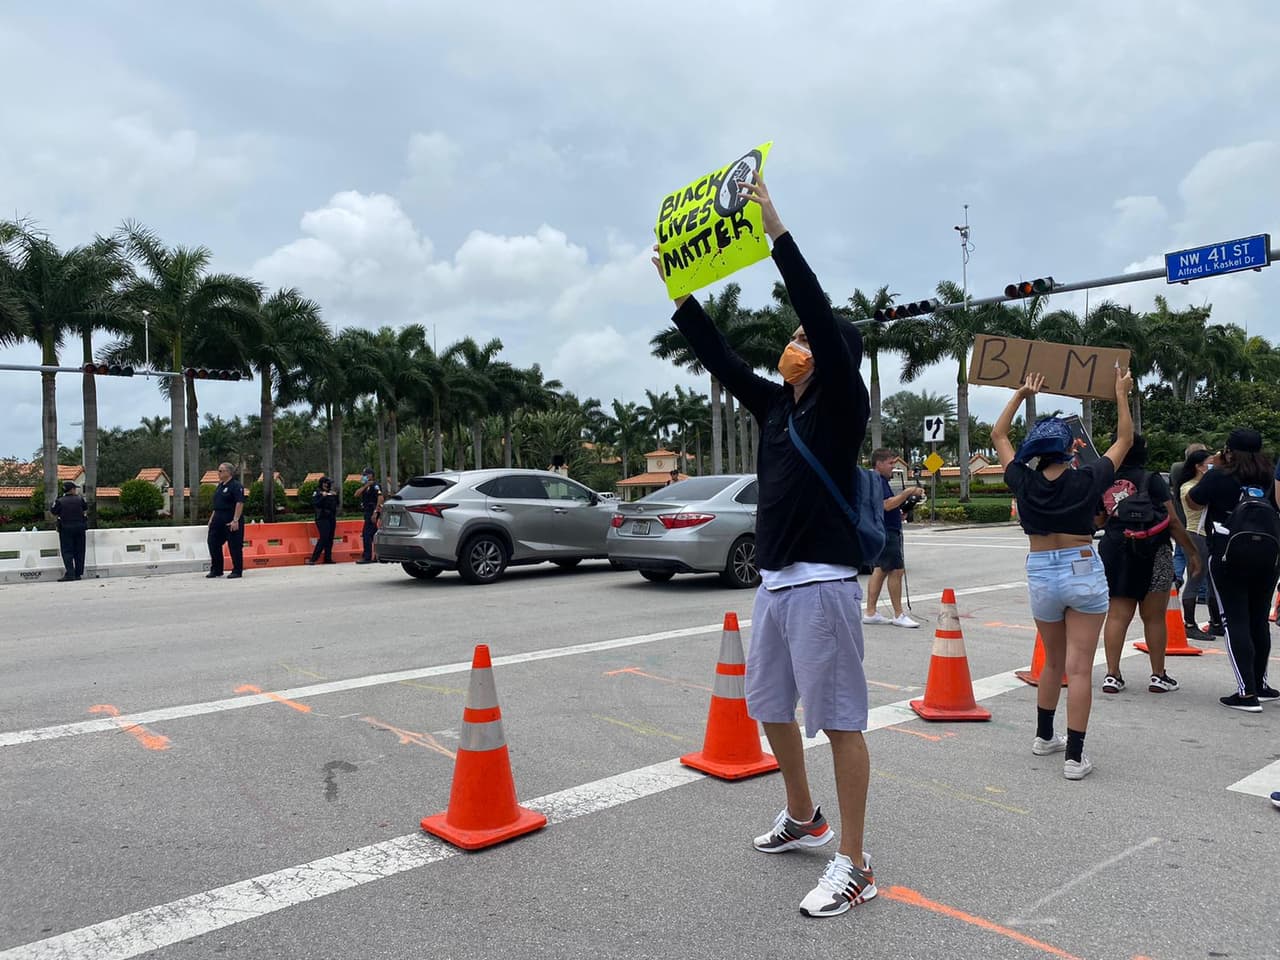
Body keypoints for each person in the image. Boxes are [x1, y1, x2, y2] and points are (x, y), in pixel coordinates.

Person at [653, 175, 876, 918]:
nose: (794, 343)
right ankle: (804, 816)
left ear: (830, 358)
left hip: (824, 582)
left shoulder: (842, 405)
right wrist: (681, 300)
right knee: (770, 705)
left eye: (806, 340)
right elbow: (719, 361)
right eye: (796, 339)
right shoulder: (778, 406)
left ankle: (854, 860)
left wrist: (775, 226)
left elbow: (811, 300)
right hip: (777, 583)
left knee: (839, 719)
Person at [992, 368, 1133, 780]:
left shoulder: (1023, 480)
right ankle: (1074, 758)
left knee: (1052, 660)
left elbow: (999, 437)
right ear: (1070, 449)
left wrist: (1020, 394)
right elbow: (1124, 440)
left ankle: (1043, 737)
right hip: (1082, 565)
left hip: (1040, 570)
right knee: (1080, 667)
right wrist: (1120, 393)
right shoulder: (1088, 478)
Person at [1098, 434, 1200, 696]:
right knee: (1154, 617)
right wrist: (1192, 553)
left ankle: (1112, 675)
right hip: (1154, 551)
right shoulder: (1151, 479)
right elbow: (1174, 521)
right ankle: (1158, 675)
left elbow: (1098, 520)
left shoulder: (1102, 479)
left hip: (1116, 551)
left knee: (1118, 614)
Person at [1187, 429, 1280, 712]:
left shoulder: (1219, 475)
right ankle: (1261, 683)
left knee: (1235, 620)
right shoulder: (1268, 476)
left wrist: (1214, 465)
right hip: (1268, 555)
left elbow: (1193, 500)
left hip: (1228, 554)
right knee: (1257, 620)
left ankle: (1246, 692)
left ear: (1229, 450)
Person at [862, 449, 926, 628]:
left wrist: (900, 512)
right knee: (896, 571)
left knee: (880, 569)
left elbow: (886, 506)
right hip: (887, 531)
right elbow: (886, 504)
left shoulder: (876, 480)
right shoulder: (878, 481)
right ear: (879, 463)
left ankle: (871, 612)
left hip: (884, 528)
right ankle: (898, 614)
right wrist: (907, 493)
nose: (893, 467)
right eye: (890, 463)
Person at [1176, 449, 1222, 639]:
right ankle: (1189, 623)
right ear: (1198, 466)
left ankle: (1216, 622)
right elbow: (1198, 501)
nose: (1211, 466)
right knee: (1196, 576)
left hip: (1211, 534)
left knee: (1213, 579)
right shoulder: (1188, 486)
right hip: (1196, 534)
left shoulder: (1209, 484)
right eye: (1209, 463)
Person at [1169, 442, 1208, 586]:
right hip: (1195, 520)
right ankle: (1202, 591)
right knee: (1199, 557)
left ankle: (1177, 578)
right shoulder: (1199, 477)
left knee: (1179, 553)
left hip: (1179, 515)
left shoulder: (1176, 468)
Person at [207, 462, 245, 579]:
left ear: (228, 472)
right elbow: (217, 504)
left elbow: (239, 503)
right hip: (218, 519)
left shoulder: (236, 486)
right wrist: (211, 519)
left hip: (230, 519)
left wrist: (235, 520)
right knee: (213, 542)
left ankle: (237, 570)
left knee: (234, 545)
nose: (218, 473)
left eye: (220, 471)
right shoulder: (220, 486)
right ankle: (217, 569)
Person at [50, 480, 88, 582]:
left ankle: (70, 573)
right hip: (80, 528)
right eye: (75, 489)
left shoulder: (60, 501)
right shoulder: (80, 499)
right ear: (71, 490)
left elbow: (53, 511)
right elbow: (85, 508)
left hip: (66, 528)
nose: (76, 490)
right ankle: (78, 573)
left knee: (67, 551)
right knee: (79, 551)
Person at [306, 476, 339, 565]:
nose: (328, 485)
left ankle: (328, 558)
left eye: (329, 484)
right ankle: (314, 558)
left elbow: (336, 504)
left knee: (330, 538)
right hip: (322, 517)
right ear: (322, 484)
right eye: (326, 483)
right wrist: (323, 496)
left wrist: (335, 496)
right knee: (324, 537)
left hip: (331, 517)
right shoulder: (317, 493)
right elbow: (315, 503)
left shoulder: (330, 493)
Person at [355, 468, 382, 564]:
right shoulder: (366, 486)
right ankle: (377, 555)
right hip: (367, 512)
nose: (364, 476)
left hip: (372, 511)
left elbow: (380, 498)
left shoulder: (376, 486)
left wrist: (375, 512)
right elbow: (356, 494)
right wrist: (365, 485)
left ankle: (367, 557)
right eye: (363, 475)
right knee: (374, 534)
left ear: (371, 475)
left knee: (366, 534)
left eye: (366, 474)